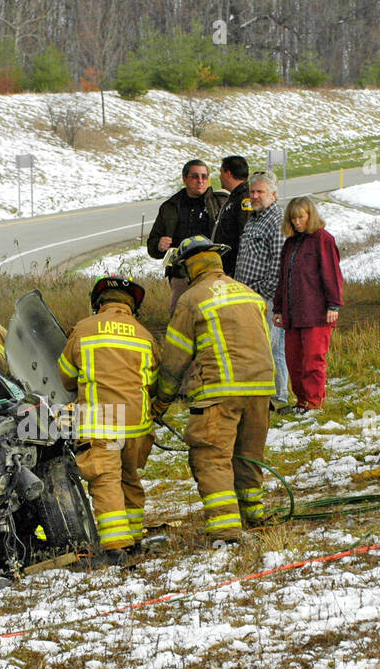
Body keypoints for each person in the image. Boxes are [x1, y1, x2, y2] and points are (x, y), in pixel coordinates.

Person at [156, 236, 275, 543]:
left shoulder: (192, 299)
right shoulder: (249, 293)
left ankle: (225, 529)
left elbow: (174, 360)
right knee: (248, 454)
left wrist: (161, 401)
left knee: (211, 456)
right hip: (261, 387)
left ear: (187, 267)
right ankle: (254, 514)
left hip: (219, 391)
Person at [58, 276, 161, 564]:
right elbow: (151, 382)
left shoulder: (83, 329)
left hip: (100, 421)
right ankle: (135, 538)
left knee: (106, 482)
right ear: (131, 307)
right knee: (129, 479)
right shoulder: (144, 335)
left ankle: (116, 548)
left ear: (98, 304)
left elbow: (66, 376)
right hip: (136, 425)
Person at [272, 196, 343, 412]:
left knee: (313, 360)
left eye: (301, 217)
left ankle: (314, 403)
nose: (297, 222)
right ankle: (301, 401)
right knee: (294, 361)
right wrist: (278, 308)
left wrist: (333, 305)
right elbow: (283, 277)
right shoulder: (290, 243)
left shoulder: (323, 239)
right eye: (293, 218)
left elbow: (331, 274)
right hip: (293, 314)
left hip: (316, 313)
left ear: (310, 215)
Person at [233, 171, 289, 410]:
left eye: (260, 192)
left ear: (273, 195)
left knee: (273, 346)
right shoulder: (255, 218)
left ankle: (278, 396)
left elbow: (279, 263)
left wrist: (264, 293)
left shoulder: (276, 220)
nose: (254, 196)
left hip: (266, 298)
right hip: (248, 297)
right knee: (255, 347)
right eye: (252, 192)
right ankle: (259, 394)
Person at [146, 160, 228, 314]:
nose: (200, 181)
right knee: (180, 317)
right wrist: (159, 245)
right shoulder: (170, 207)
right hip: (181, 275)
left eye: (204, 176)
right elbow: (152, 245)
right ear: (184, 179)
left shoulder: (220, 203)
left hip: (211, 275)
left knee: (211, 316)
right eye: (195, 176)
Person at [212, 155, 253, 275]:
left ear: (228, 174)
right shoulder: (234, 197)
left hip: (236, 268)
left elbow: (244, 234)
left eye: (221, 173)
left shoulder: (244, 199)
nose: (220, 177)